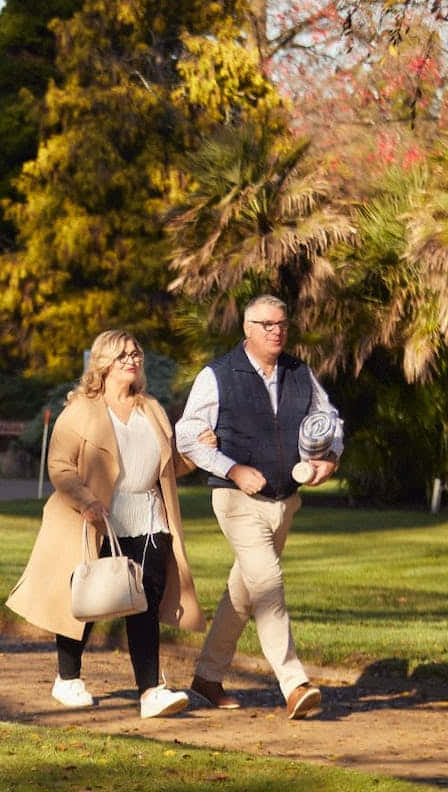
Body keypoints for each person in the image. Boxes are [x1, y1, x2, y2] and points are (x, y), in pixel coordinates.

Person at [7, 329, 204, 718]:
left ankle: (151, 691)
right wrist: (87, 501)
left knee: (143, 602)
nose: (132, 360)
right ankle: (68, 677)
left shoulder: (152, 408)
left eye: (135, 353)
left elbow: (169, 464)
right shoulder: (81, 410)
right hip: (96, 518)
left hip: (150, 518)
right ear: (103, 365)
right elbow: (60, 466)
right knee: (87, 597)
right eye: (122, 355)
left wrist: (198, 452)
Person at [175, 293, 344, 720]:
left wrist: (329, 458)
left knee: (245, 592)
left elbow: (330, 421)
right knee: (268, 581)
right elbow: (188, 435)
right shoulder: (217, 374)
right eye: (267, 325)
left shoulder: (299, 372)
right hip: (235, 500)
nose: (277, 331)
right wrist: (232, 469)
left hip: (286, 501)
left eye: (283, 324)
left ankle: (207, 677)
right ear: (247, 329)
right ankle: (294, 683)